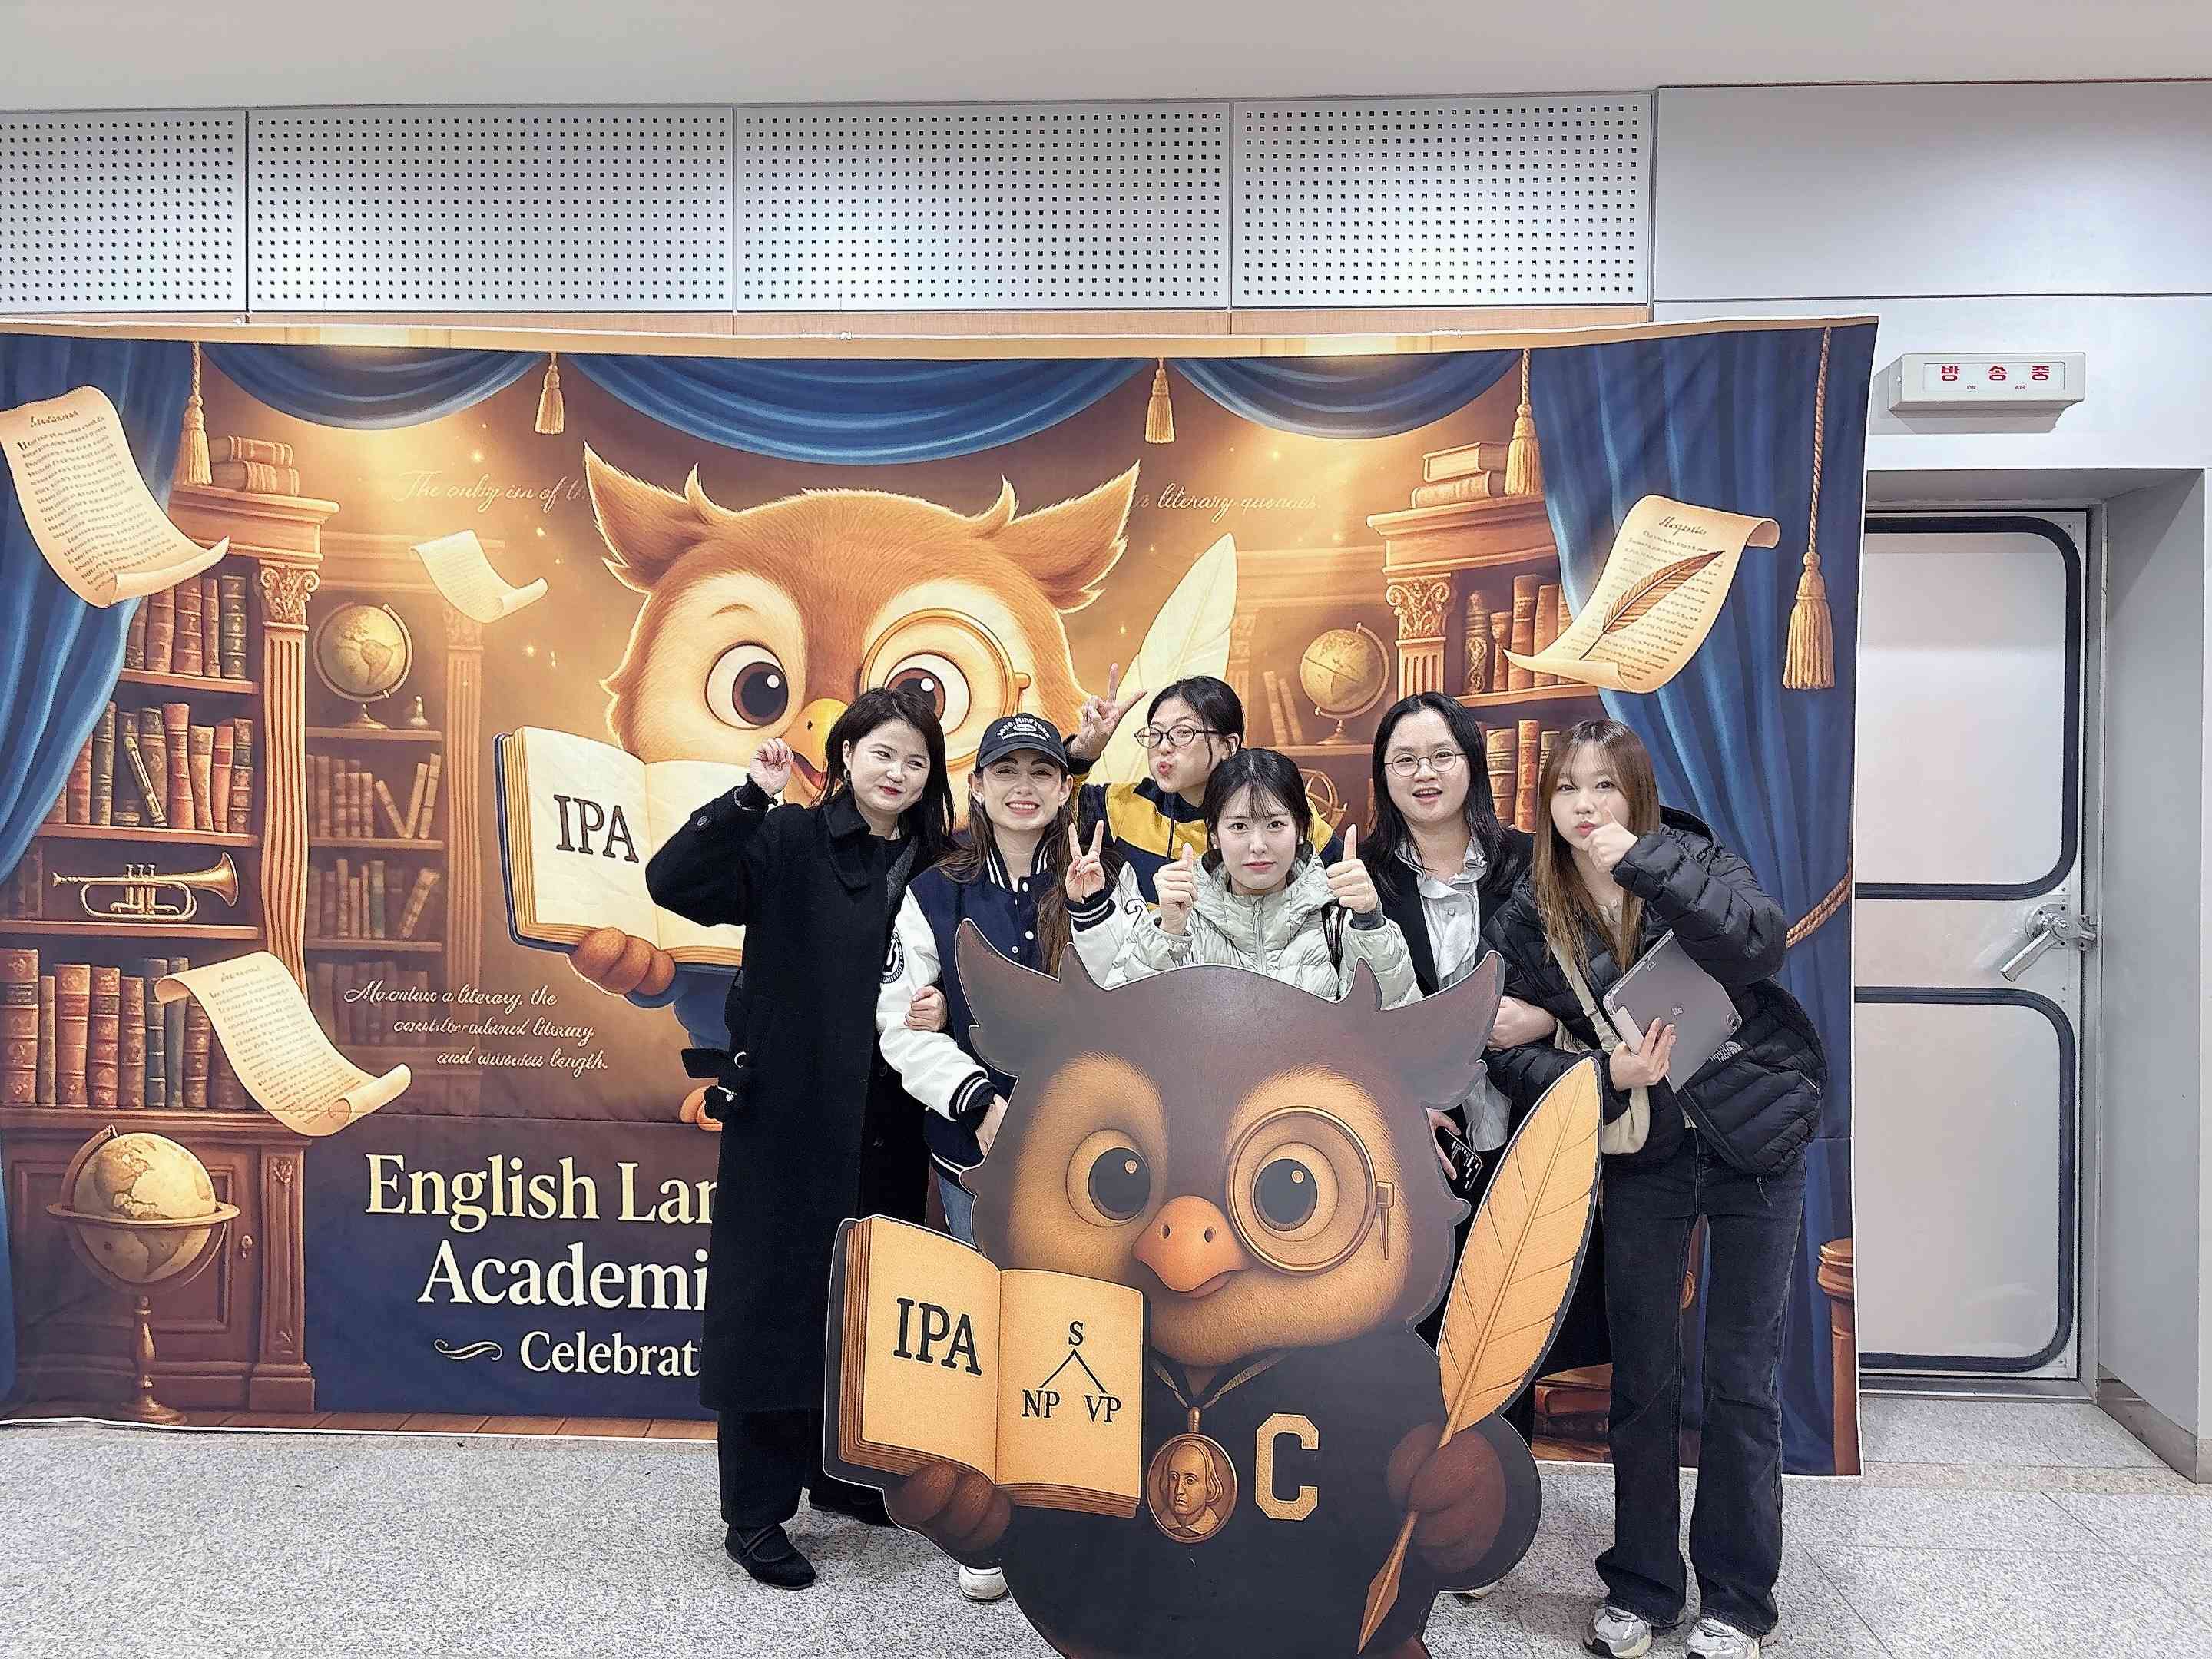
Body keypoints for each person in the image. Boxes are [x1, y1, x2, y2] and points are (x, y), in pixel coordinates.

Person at [1479, 719, 1825, 1659]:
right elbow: (1501, 1054)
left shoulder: (1694, 857)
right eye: (1566, 788)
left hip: (1757, 1135)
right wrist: (1602, 1074)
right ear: (1544, 801)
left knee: (1741, 1379)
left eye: (1604, 786)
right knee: (1642, 1376)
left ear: (1636, 793)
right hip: (1646, 1153)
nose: (1584, 806)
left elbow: (1758, 946)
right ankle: (1640, 1585)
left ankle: (1739, 1601)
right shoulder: (1528, 910)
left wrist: (1644, 862)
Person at [644, 684, 956, 1592]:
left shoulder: (938, 862)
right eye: (882, 753)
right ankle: (754, 1512)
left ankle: (840, 1475)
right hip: (787, 1111)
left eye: (916, 760)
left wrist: (945, 1007)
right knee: (772, 1306)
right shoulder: (786, 837)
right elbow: (674, 884)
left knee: (863, 1300)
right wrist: (749, 797)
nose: (898, 773)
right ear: (846, 756)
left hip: (887, 1118)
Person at [1360, 690, 1581, 1578]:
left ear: (1471, 764)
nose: (1425, 774)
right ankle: (1400, 1515)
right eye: (1405, 759)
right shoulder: (1363, 875)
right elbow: (1344, 1005)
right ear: (1383, 776)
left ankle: (1484, 1522)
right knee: (1406, 1326)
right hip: (1404, 1134)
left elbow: (1596, 968)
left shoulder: (1532, 864)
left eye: (1441, 755)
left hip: (1518, 1125)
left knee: (1502, 1321)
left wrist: (1548, 1022)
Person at [874, 711, 1078, 1604]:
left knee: (1076, 1332)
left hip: (1083, 1160)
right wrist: (978, 1102)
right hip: (975, 1154)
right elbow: (901, 1025)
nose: (1023, 788)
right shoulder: (934, 892)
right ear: (980, 787)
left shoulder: (1100, 878)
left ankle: (1070, 1505)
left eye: (1041, 772)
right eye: (1007, 772)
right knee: (987, 1330)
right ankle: (989, 1521)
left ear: (1064, 788)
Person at [1068, 745, 1416, 1006]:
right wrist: (1167, 932)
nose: (1258, 845)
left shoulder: (1337, 918)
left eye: (1275, 824)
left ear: (1300, 829)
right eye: (1238, 827)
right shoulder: (1183, 918)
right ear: (1214, 835)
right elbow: (1125, 1024)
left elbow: (1397, 1024)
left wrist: (1370, 922)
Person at [1064, 674, 1339, 902]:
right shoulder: (1126, 805)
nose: (1163, 747)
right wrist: (1083, 751)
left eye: (1183, 733)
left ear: (1228, 745)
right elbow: (1053, 805)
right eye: (1155, 734)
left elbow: (1339, 881)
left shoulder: (1276, 810)